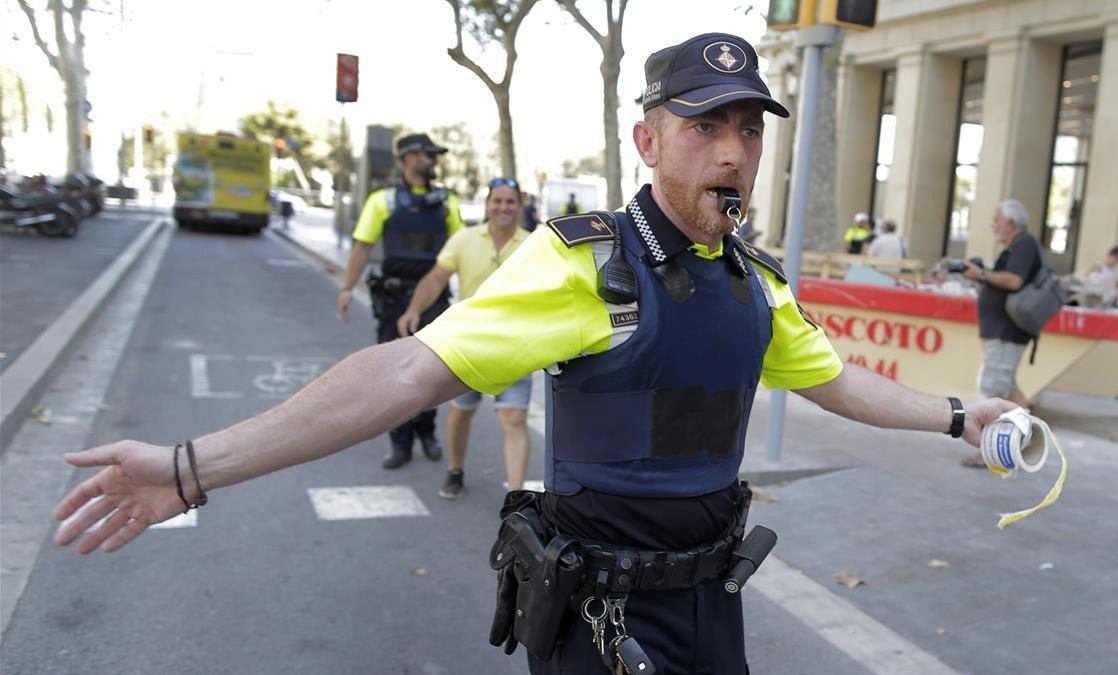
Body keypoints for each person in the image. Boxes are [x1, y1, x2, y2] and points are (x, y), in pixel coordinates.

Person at [52, 32, 1015, 675]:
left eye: (747, 129)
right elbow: (403, 370)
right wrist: (189, 468)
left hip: (714, 607)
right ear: (649, 139)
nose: (731, 150)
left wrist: (966, 417)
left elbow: (839, 381)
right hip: (608, 625)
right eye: (704, 125)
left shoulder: (752, 281)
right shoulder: (583, 264)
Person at [397, 178, 533, 500]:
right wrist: (414, 309)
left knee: (513, 417)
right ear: (487, 205)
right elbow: (436, 278)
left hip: (515, 345)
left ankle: (515, 498)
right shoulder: (464, 239)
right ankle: (455, 470)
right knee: (461, 412)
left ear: (520, 206)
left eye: (510, 201)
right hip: (469, 344)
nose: (503, 207)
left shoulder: (534, 244)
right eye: (497, 201)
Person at [335, 132, 465, 469]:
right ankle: (400, 443)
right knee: (393, 374)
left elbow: (460, 249)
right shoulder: (383, 200)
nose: (434, 161)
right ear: (408, 157)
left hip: (435, 299)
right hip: (394, 297)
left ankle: (427, 434)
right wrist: (348, 287)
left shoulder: (447, 201)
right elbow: (363, 246)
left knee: (434, 370)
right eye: (429, 155)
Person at [960, 199, 1043, 467]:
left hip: (1007, 331)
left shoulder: (1024, 244)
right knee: (1007, 385)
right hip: (1005, 330)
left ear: (1010, 222)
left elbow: (1014, 280)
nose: (993, 224)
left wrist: (982, 273)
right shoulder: (1019, 246)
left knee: (993, 390)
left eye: (996, 219)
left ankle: (992, 450)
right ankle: (1028, 437)